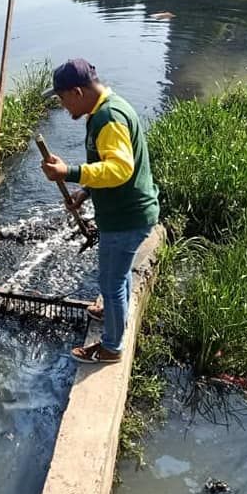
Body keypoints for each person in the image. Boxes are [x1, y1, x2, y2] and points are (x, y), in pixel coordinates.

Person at [40, 59, 159, 364]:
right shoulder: (106, 110)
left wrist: (70, 172)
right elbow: (107, 162)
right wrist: (85, 192)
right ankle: (112, 312)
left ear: (77, 92)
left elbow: (120, 169)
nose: (64, 107)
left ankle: (110, 348)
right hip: (124, 214)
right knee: (116, 277)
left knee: (111, 282)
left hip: (125, 218)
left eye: (63, 98)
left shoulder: (108, 118)